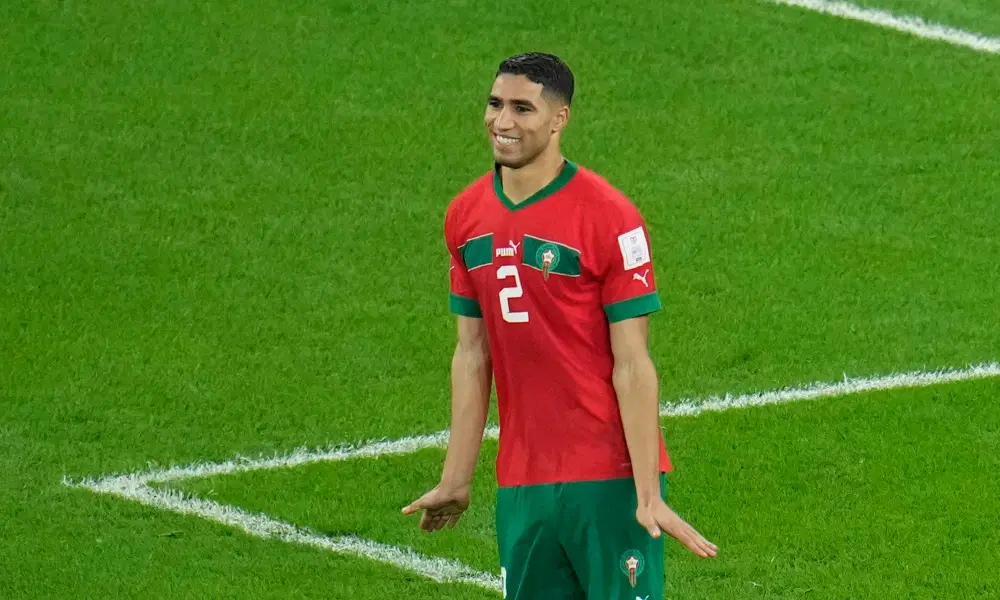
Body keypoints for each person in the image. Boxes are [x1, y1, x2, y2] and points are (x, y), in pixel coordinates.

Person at [402, 52, 717, 600]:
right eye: (496, 104)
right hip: (522, 480)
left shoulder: (608, 216)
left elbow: (633, 363)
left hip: (608, 477)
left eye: (523, 108)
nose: (503, 122)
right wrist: (457, 477)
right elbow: (472, 355)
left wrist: (647, 491)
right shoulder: (465, 215)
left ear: (559, 118)